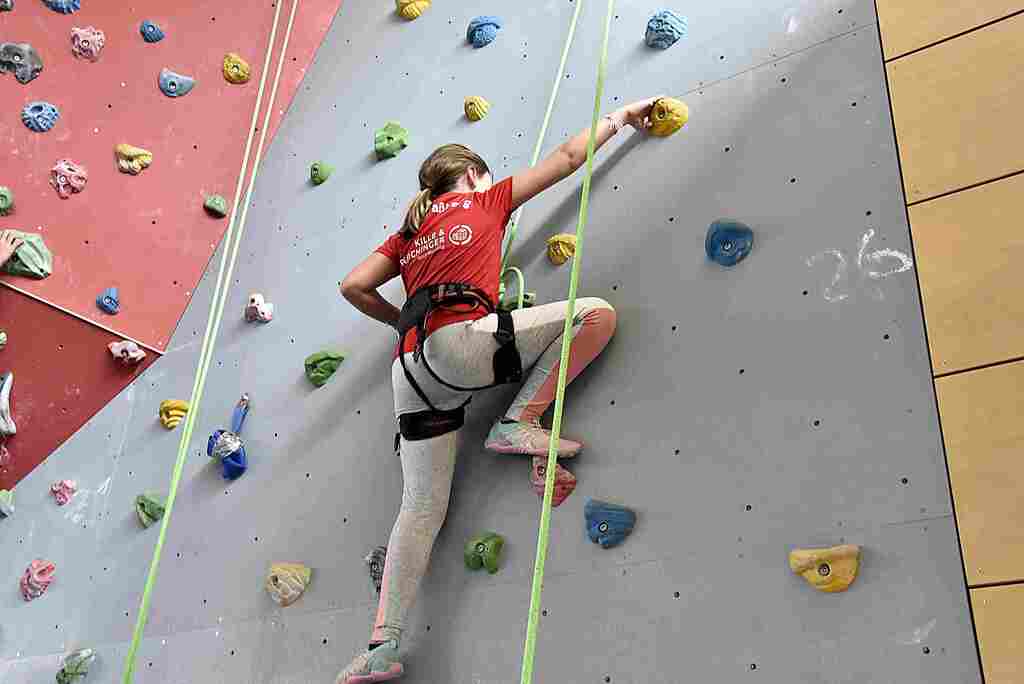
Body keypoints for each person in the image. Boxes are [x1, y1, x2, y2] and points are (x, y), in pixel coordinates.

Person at [336, 95, 661, 684]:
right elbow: (568, 158)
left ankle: (380, 646)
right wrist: (620, 117)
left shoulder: (409, 232)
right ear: (472, 175)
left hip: (410, 370)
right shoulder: (484, 199)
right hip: (462, 344)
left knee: (420, 507)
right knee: (595, 315)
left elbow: (353, 286)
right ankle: (516, 422)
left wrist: (401, 322)